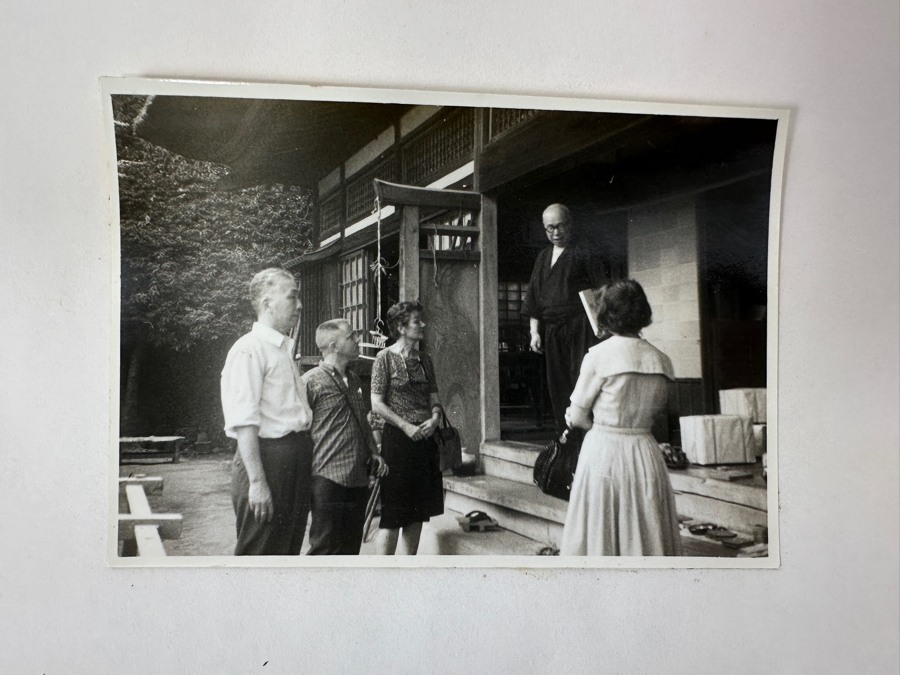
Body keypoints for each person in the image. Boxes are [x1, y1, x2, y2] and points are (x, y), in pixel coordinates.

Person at [559, 279, 682, 556]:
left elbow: (577, 416)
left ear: (607, 314)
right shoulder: (662, 361)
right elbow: (659, 413)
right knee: (645, 528)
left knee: (602, 531)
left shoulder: (598, 356)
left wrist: (597, 424)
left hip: (605, 452)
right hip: (645, 452)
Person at [220, 268, 313, 556]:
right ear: (266, 303)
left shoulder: (282, 349)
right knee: (259, 555)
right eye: (292, 297)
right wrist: (258, 483)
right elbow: (244, 423)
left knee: (286, 553)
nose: (299, 305)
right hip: (266, 461)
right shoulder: (248, 349)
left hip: (294, 459)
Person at [303, 319, 388, 555]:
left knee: (351, 547)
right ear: (334, 346)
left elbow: (361, 420)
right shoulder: (310, 382)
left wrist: (373, 451)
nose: (357, 340)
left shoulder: (354, 379)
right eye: (351, 336)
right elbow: (299, 430)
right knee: (324, 546)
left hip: (358, 478)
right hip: (326, 477)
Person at [522, 203, 608, 433]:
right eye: (550, 228)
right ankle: (566, 434)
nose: (556, 233)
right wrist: (534, 332)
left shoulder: (585, 250)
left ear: (569, 224)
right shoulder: (543, 257)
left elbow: (602, 291)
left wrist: (602, 324)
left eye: (560, 226)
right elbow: (534, 296)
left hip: (581, 326)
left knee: (581, 379)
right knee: (557, 383)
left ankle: (587, 434)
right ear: (544, 229)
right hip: (553, 329)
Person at [370, 301, 444, 555]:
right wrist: (405, 426)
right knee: (392, 515)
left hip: (425, 441)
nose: (422, 325)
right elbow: (377, 403)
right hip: (398, 442)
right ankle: (383, 576)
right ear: (401, 327)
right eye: (416, 321)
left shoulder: (425, 359)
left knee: (417, 513)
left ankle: (407, 568)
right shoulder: (384, 359)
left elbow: (434, 396)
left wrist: (434, 419)